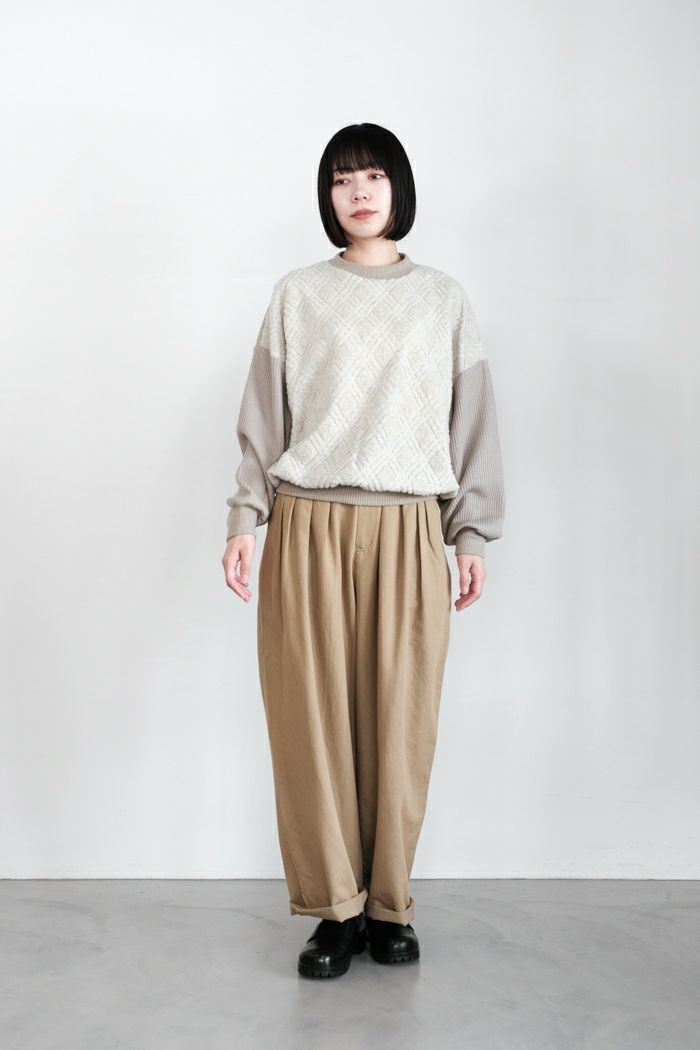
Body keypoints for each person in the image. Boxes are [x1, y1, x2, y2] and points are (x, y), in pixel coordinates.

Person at [222, 122, 505, 979]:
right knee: (309, 724)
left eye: (374, 176)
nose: (358, 192)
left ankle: (390, 906)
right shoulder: (297, 295)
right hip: (307, 521)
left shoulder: (443, 299)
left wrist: (470, 532)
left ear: (398, 188)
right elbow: (263, 417)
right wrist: (243, 521)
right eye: (343, 179)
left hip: (409, 526)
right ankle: (334, 912)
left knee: (401, 722)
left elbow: (472, 426)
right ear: (328, 196)